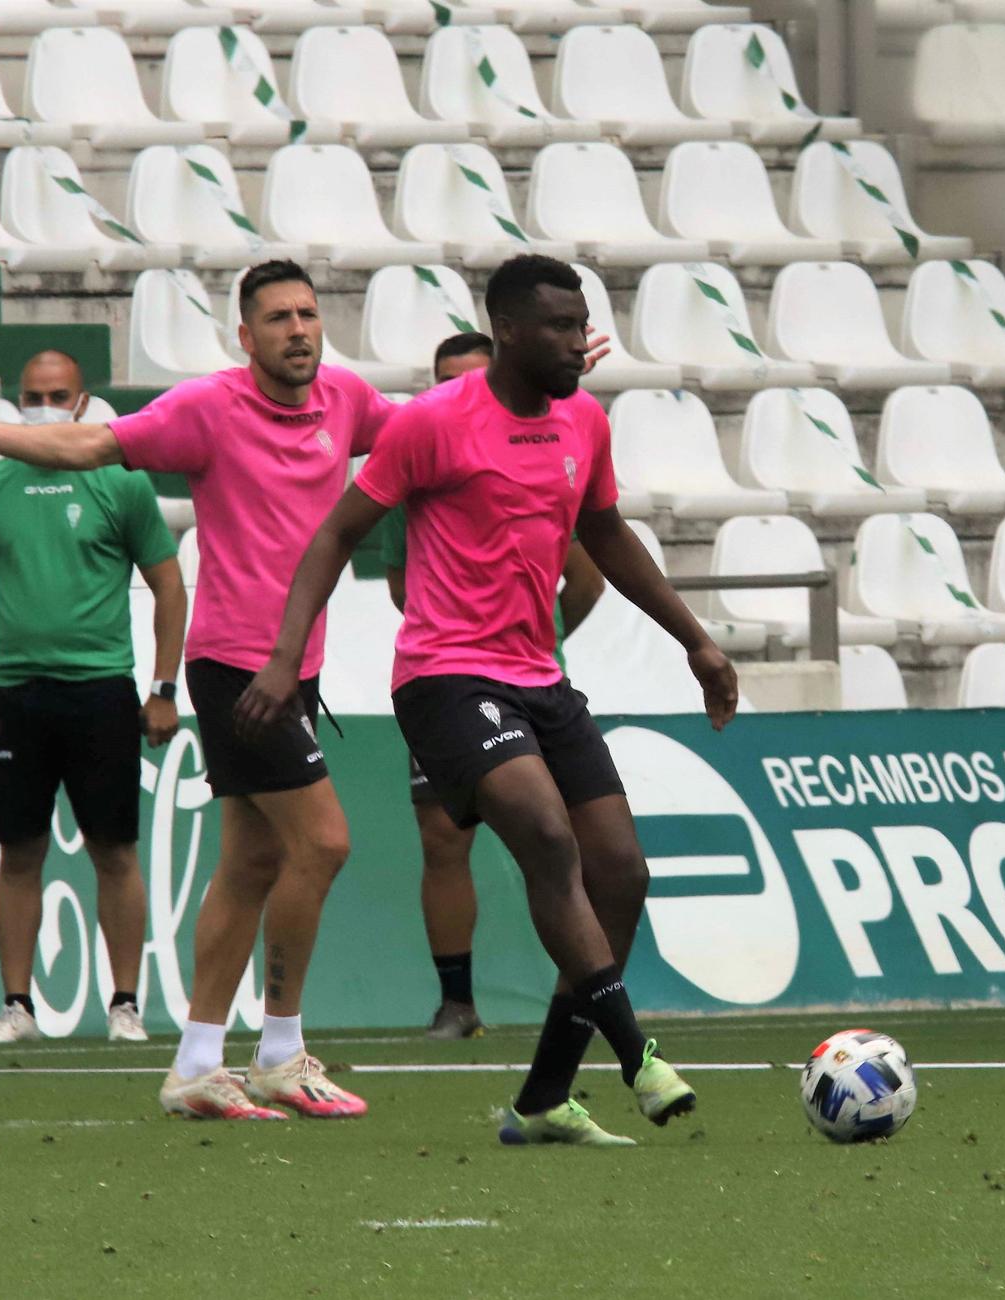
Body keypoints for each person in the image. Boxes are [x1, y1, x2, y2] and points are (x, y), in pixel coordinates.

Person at [239, 254, 739, 1147]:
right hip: (443, 675)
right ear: (508, 330)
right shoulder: (433, 424)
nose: (577, 340)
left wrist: (694, 639)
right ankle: (637, 1057)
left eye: (581, 322)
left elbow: (605, 532)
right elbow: (335, 535)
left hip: (540, 677)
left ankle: (544, 1099)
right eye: (557, 325)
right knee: (547, 837)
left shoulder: (585, 420)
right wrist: (285, 659)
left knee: (621, 871)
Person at [0, 261, 392, 1121]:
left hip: (298, 666)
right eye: (277, 318)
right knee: (325, 844)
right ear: (245, 336)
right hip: (240, 665)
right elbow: (87, 444)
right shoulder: (208, 408)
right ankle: (279, 1049)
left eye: (308, 313)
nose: (298, 329)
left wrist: (529, 383)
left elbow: (431, 426)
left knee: (252, 863)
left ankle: (197, 1063)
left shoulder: (345, 402)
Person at [0, 348, 187, 1045]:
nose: (43, 403)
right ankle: (17, 1006)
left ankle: (125, 1006)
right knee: (19, 852)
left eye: (57, 394)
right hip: (16, 695)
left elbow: (170, 583)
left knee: (115, 850)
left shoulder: (121, 483)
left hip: (102, 689)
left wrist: (164, 688)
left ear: (83, 404)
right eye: (32, 392)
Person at [364, 331, 607, 1041]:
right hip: (449, 677)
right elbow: (401, 584)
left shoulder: (546, 452)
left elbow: (587, 575)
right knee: (443, 838)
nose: (456, 390)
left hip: (536, 679)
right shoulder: (419, 460)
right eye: (443, 377)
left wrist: (538, 628)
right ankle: (457, 1001)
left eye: (469, 377)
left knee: (573, 847)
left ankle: (587, 1000)